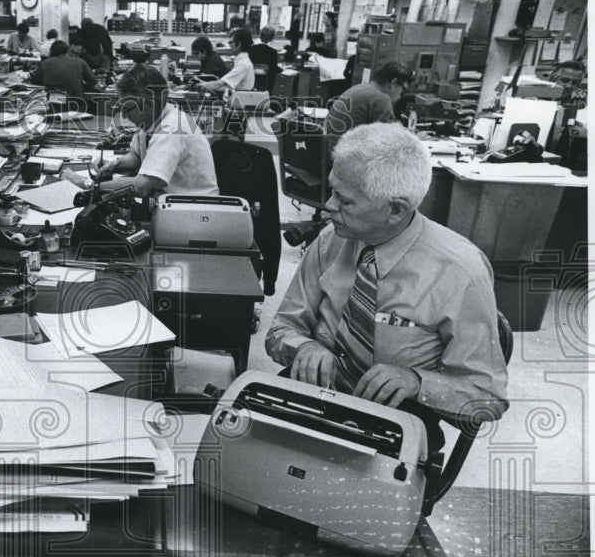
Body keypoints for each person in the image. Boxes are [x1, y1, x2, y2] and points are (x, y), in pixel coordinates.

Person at [265, 122, 508, 450]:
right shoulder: (331, 240)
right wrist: (304, 348)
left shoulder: (461, 272)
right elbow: (281, 329)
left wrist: (416, 381)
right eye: (333, 190)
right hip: (315, 397)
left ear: (395, 209)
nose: (329, 206)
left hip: (393, 422)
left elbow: (488, 399)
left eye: (345, 200)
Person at [62, 64, 218, 197]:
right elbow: (138, 154)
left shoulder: (171, 129)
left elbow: (142, 186)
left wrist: (85, 183)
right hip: (171, 203)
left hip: (192, 212)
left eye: (128, 108)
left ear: (150, 103)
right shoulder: (152, 120)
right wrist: (116, 164)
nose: (123, 115)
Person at [323, 61, 412, 137]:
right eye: (402, 90)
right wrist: (413, 137)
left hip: (333, 150)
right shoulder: (380, 98)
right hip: (344, 154)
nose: (400, 96)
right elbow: (387, 139)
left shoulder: (359, 88)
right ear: (394, 83)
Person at [29, 40, 100, 102]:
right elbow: (97, 87)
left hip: (52, 105)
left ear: (51, 52)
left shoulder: (45, 63)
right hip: (75, 104)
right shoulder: (80, 62)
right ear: (67, 51)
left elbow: (33, 83)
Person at [197, 28, 255, 93]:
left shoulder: (243, 64)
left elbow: (218, 85)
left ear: (239, 44)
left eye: (230, 42)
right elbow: (228, 87)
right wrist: (205, 84)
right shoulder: (242, 61)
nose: (229, 45)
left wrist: (197, 85)